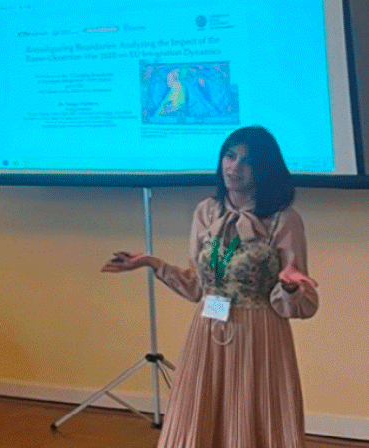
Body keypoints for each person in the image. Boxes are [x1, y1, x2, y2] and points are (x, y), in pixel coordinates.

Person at [102, 125, 319, 448]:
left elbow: (301, 296)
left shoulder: (284, 219)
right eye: (230, 156)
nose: (234, 167)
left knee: (253, 414)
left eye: (247, 161)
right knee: (200, 418)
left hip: (258, 333)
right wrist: (151, 262)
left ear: (265, 168)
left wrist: (289, 288)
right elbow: (196, 286)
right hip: (207, 330)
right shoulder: (207, 211)